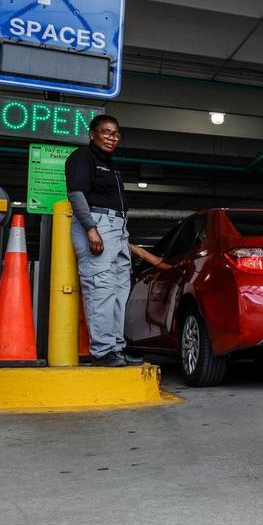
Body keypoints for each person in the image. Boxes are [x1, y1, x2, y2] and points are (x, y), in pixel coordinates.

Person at [65, 114, 168, 367]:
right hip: (97, 224)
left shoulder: (110, 165)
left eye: (116, 134)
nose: (112, 138)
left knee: (118, 292)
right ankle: (102, 352)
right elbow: (76, 194)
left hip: (118, 229)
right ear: (92, 134)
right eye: (106, 132)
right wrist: (91, 228)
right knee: (100, 289)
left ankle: (116, 348)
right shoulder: (82, 157)